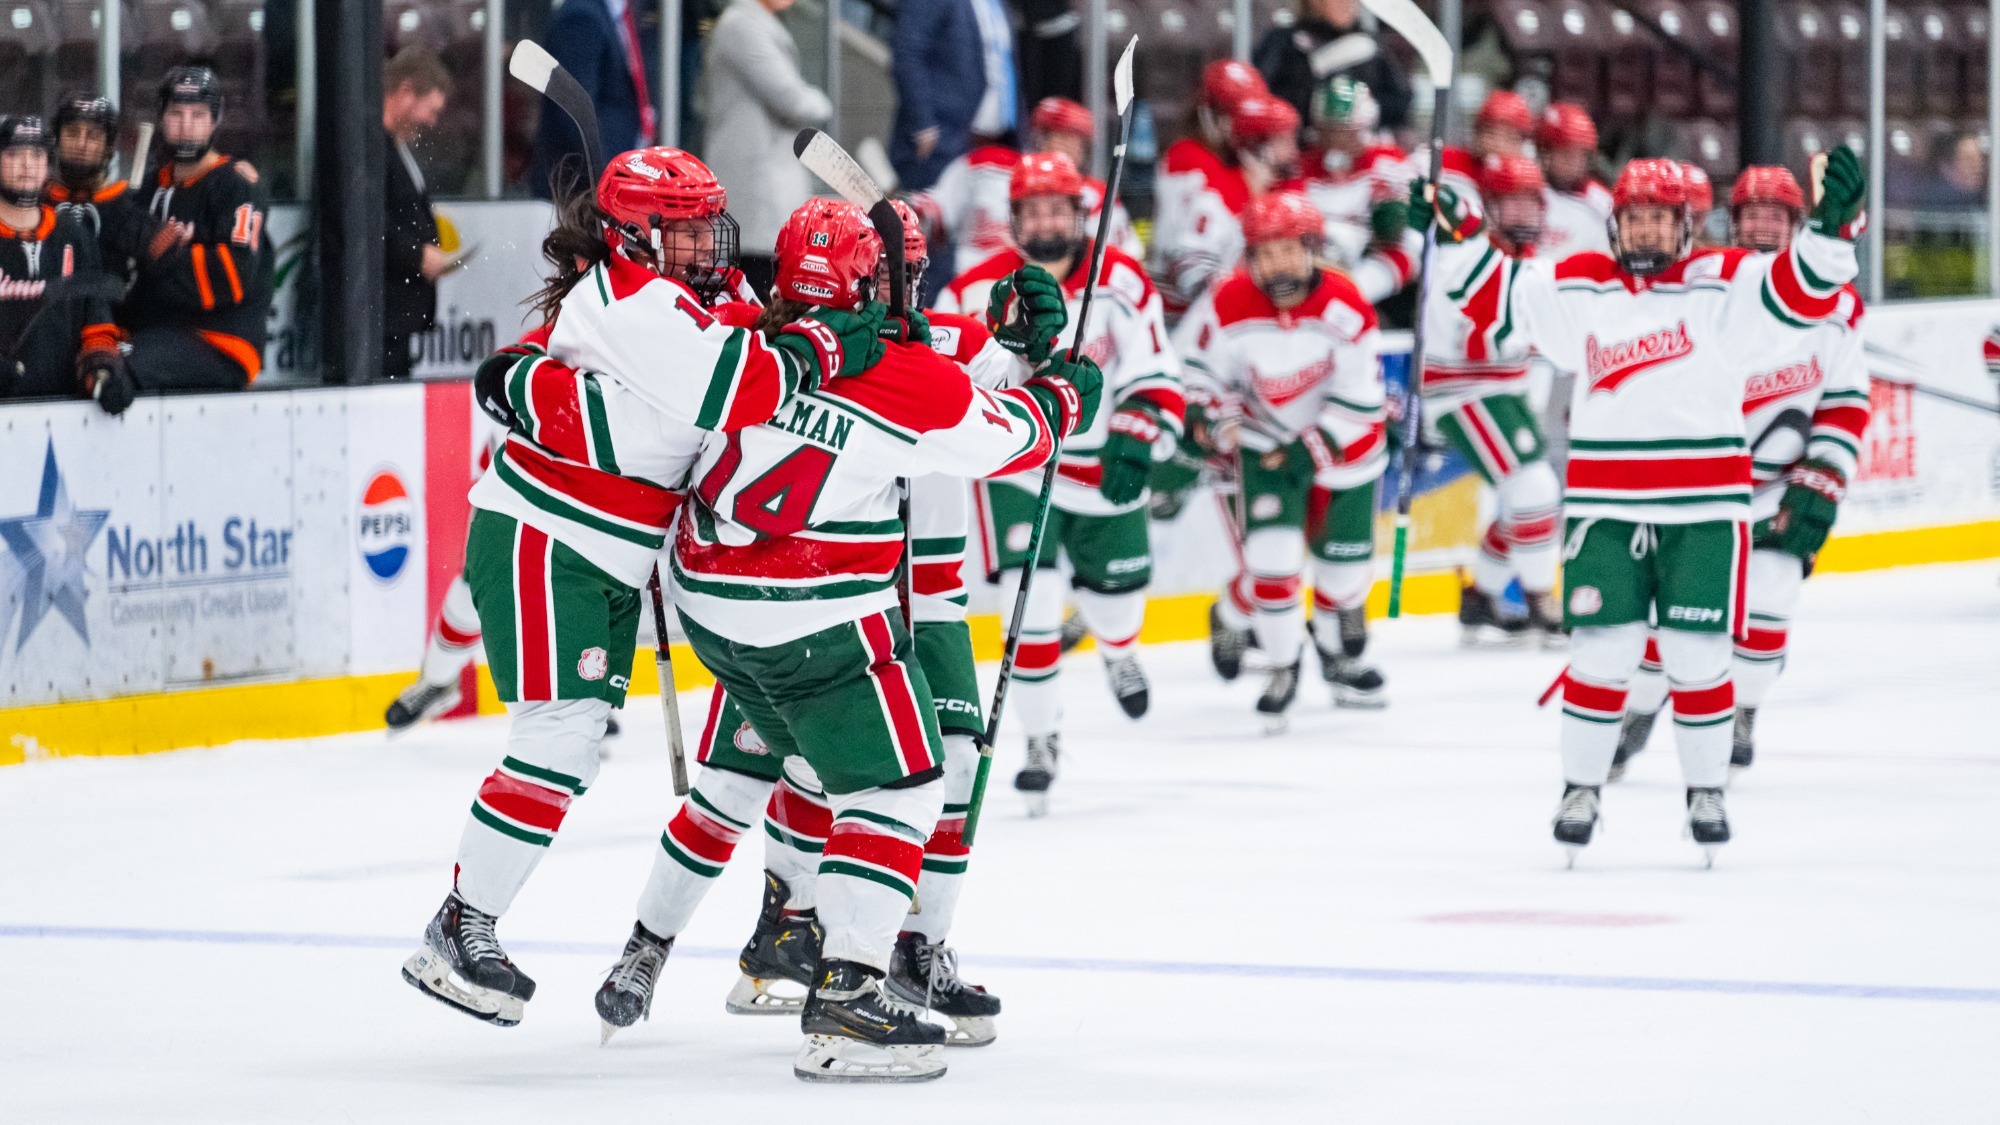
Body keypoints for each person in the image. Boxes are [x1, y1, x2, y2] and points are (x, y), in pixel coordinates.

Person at [601, 197, 1096, 1083]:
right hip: (821, 608)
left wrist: (1022, 342)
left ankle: (816, 939)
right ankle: (847, 991)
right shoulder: (906, 373)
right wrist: (1063, 394)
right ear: (873, 282)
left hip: (714, 601)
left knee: (795, 769)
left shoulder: (745, 334)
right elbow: (1007, 435)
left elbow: (977, 359)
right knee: (901, 786)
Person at [401, 147, 881, 1031]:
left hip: (605, 557)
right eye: (684, 229)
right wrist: (827, 340)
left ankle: (468, 923)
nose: (707, 242)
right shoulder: (631, 302)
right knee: (559, 737)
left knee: (573, 743)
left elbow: (755, 335)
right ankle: (459, 926)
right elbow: (744, 385)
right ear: (633, 237)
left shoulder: (693, 291)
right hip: (550, 537)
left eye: (707, 223)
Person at [1412, 148, 1867, 865]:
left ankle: (1706, 792)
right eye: (1635, 218)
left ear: (1687, 225)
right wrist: (1463, 237)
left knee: (1697, 654)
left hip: (1704, 509)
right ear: (1615, 223)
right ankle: (1580, 790)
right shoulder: (1582, 283)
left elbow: (1801, 289)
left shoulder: (1725, 282)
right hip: (1607, 507)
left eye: (1660, 219)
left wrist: (1832, 233)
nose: (1646, 231)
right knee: (1601, 653)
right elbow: (1500, 297)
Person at [937, 152, 1185, 814]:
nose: (1046, 223)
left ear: (1081, 215)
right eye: (1033, 211)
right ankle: (1040, 740)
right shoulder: (973, 289)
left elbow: (1155, 365)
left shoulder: (1121, 280)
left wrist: (1139, 428)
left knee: (1118, 604)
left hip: (1100, 465)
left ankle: (1118, 649)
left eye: (1058, 209)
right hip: (1018, 465)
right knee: (1032, 604)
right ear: (1014, 218)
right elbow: (944, 376)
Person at [1612, 165, 1871, 780]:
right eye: (1751, 214)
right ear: (1731, 221)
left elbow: (1844, 402)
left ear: (1797, 225)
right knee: (1663, 626)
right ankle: (1639, 708)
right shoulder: (1704, 286)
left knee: (1770, 603)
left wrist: (1824, 475)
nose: (1761, 226)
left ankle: (1743, 708)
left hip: (1775, 488)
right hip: (1696, 487)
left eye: (1775, 216)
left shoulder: (1837, 306)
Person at [1175, 191, 1388, 728]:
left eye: (1289, 251)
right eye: (1265, 254)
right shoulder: (1227, 301)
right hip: (1264, 446)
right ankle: (1283, 666)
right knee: (1273, 562)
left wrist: (1308, 450)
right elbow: (1201, 371)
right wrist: (1206, 415)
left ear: (1313, 249)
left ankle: (1329, 647)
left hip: (1346, 454)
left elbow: (1362, 396)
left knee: (1341, 579)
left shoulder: (1346, 305)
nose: (1278, 266)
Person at [1415, 155, 1565, 647]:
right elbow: (1482, 338)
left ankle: (1481, 595)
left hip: (1502, 389)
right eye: (1511, 203)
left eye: (1530, 203)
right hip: (1464, 389)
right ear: (1490, 207)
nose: (1522, 214)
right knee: (1534, 486)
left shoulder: (1529, 262)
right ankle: (1542, 599)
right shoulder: (1467, 255)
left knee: (1528, 499)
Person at [123, 68, 274, 392]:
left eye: (198, 115)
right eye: (176, 114)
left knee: (121, 369)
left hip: (223, 339)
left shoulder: (237, 185)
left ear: (215, 121)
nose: (186, 125)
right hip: (160, 332)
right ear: (162, 118)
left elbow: (234, 275)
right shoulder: (150, 186)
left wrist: (163, 257)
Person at [912, 96, 1138, 282]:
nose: (1063, 148)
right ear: (1038, 138)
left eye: (1073, 141)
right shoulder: (986, 165)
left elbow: (1127, 260)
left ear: (1085, 150)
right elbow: (929, 214)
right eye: (1057, 137)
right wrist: (903, 220)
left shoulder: (1096, 195)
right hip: (975, 296)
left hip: (1056, 301)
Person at [700, 0, 832, 297]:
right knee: (757, 297)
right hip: (754, 188)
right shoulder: (740, 24)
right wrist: (821, 102)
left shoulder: (757, 22)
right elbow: (791, 98)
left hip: (767, 186)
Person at [0, 116, 130, 412]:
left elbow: (96, 323)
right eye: (13, 154)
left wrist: (101, 368)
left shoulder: (73, 234)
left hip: (63, 411)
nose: (27, 165)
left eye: (37, 155)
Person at [1161, 94, 1303, 309]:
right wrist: (1239, 295)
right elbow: (1190, 270)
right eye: (1284, 140)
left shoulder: (1278, 199)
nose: (1294, 151)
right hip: (1205, 320)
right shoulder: (1214, 197)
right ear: (1256, 147)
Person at [1153, 60, 1268, 318]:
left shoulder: (1235, 164)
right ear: (1208, 112)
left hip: (1213, 303)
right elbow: (1188, 251)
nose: (1240, 124)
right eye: (1231, 114)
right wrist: (1256, 190)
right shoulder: (1186, 156)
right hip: (1181, 309)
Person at [1302, 77, 1419, 302]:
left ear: (1364, 127)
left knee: (1409, 247)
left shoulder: (1386, 161)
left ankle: (1350, 298)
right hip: (1319, 253)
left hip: (1372, 253)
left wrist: (1390, 216)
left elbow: (1397, 228)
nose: (1334, 139)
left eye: (1344, 130)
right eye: (1328, 129)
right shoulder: (1303, 165)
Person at [528, 0, 659, 195]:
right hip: (584, 192)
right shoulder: (580, 16)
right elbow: (575, 115)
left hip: (620, 176)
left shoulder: (625, 15)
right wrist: (609, 184)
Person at [891, 0, 1018, 192]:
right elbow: (908, 54)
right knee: (925, 208)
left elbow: (1007, 66)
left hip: (996, 144)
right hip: (943, 141)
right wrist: (923, 124)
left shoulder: (998, 4)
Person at [383, 47, 454, 382]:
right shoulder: (372, 149)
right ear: (406, 92)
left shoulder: (396, 149)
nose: (431, 122)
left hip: (396, 316)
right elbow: (366, 222)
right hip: (380, 318)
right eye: (431, 110)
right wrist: (417, 256)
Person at [1254, 0, 1413, 132]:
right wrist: (1308, 103)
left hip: (1358, 148)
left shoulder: (1368, 45)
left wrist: (1374, 110)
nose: (1348, 4)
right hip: (1303, 147)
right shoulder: (1284, 41)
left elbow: (1401, 100)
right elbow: (1262, 92)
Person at [45, 93, 141, 283]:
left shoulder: (133, 205)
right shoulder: (36, 201)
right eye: (72, 133)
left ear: (109, 146)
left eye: (93, 136)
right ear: (57, 140)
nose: (81, 144)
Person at [1534, 101, 1611, 257]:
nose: (1573, 163)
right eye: (1565, 153)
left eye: (1580, 155)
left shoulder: (1602, 203)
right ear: (1544, 152)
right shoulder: (1523, 190)